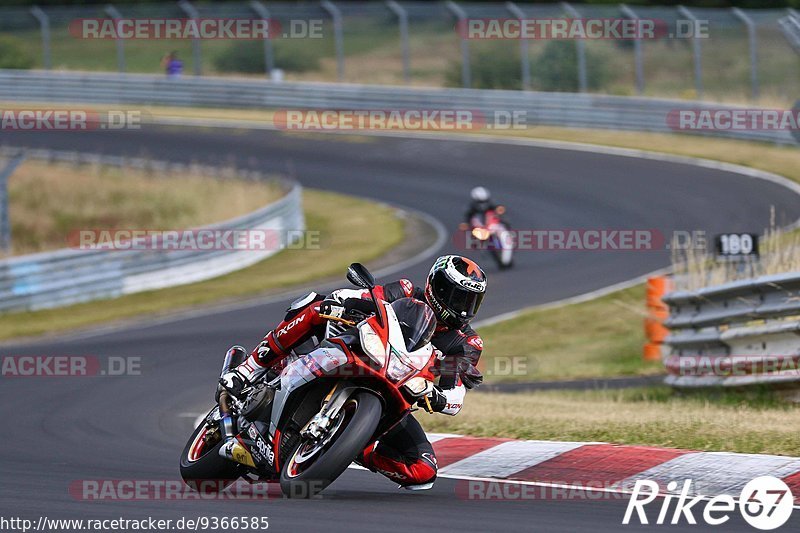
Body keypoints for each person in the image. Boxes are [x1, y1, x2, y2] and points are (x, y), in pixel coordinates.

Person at [219, 255, 487, 490]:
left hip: (398, 390)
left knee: (424, 470)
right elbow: (358, 296)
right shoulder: (406, 291)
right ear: (436, 286)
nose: (462, 306)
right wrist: (339, 305)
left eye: (471, 300)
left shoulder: (466, 343)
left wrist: (439, 397)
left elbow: (456, 393)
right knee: (314, 305)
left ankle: (353, 445)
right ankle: (248, 369)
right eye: (456, 295)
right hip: (362, 350)